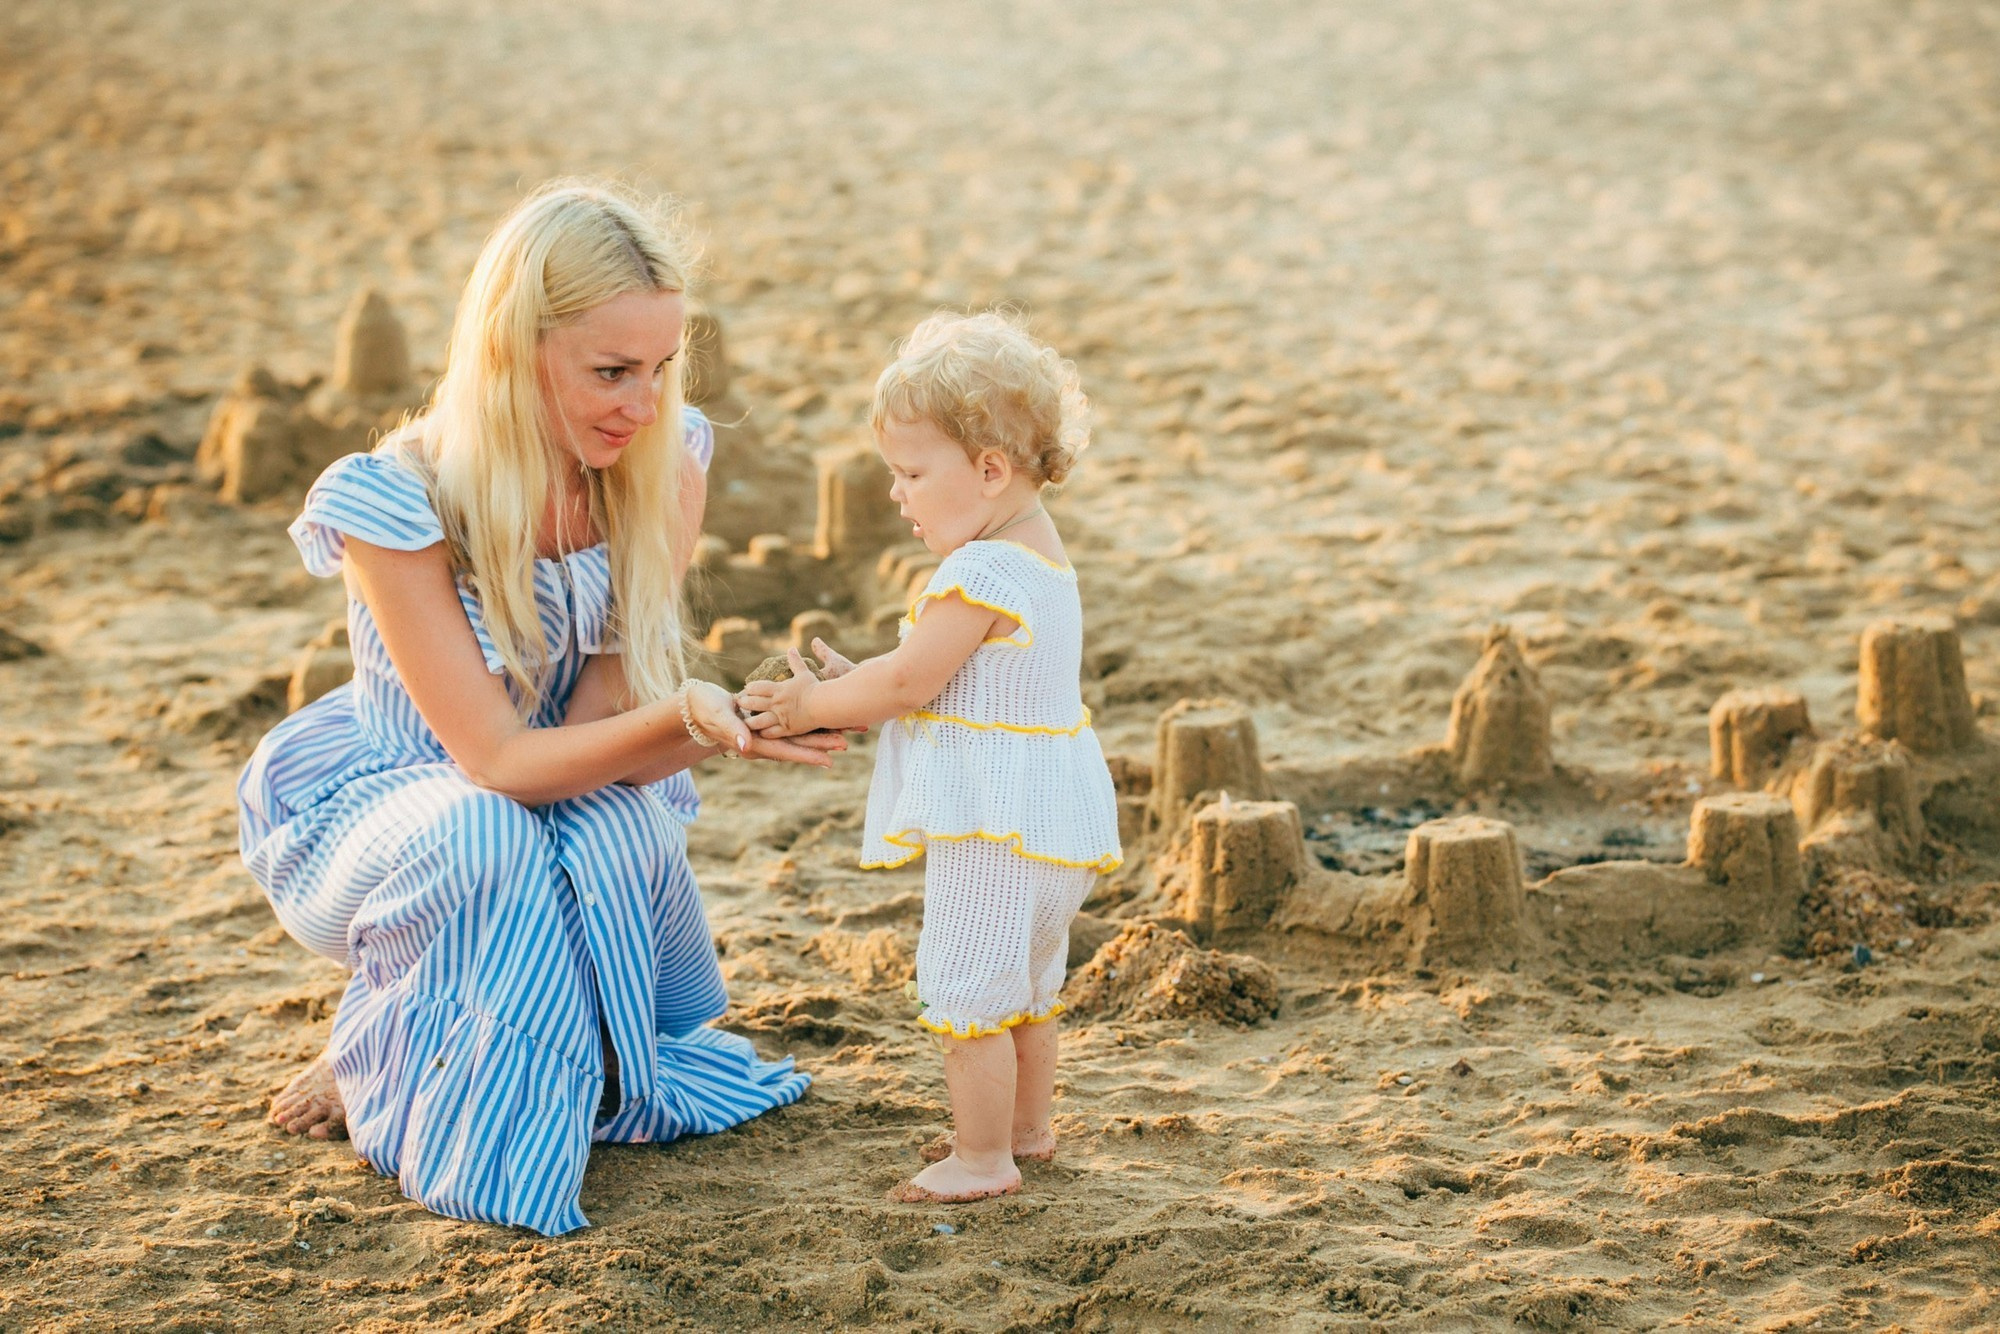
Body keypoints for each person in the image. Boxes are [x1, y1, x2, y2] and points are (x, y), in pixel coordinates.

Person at [237, 180, 839, 1236]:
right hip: (396, 807)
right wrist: (683, 716)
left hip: (543, 780)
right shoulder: (397, 498)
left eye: (661, 368)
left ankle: (447, 1049)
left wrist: (737, 723)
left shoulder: (661, 465)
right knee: (491, 833)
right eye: (611, 371)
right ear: (512, 348)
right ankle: (391, 1049)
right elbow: (497, 761)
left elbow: (596, 742)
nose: (643, 405)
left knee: (611, 826)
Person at [740, 312, 1120, 1204]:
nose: (896, 494)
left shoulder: (976, 573)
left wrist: (809, 704)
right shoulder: (1040, 560)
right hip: (1051, 828)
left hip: (991, 831)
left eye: (912, 474)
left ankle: (982, 1160)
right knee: (1026, 988)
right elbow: (944, 676)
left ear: (989, 471)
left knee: (966, 988)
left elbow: (910, 681)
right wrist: (858, 681)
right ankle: (1026, 1132)